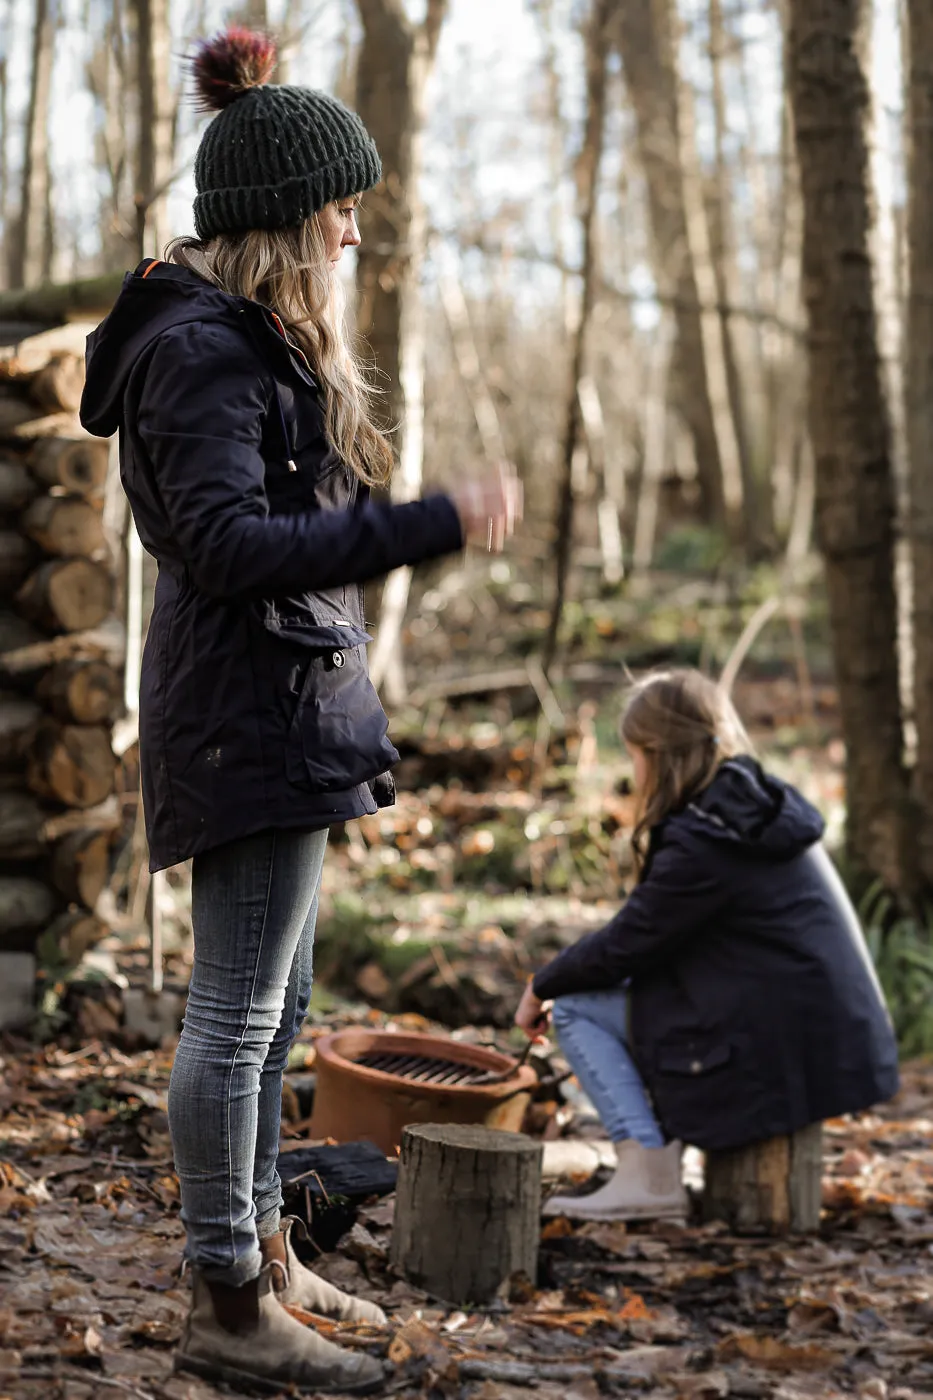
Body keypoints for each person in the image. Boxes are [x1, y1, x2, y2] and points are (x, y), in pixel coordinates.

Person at [79, 28, 521, 1396]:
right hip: (246, 715)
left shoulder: (246, 337)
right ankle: (227, 1299)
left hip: (287, 709)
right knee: (230, 1018)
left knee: (276, 1019)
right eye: (339, 205)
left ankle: (267, 1257)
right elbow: (223, 544)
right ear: (281, 218)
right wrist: (422, 524)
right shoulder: (204, 352)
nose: (351, 228)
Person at [515, 669, 899, 1223]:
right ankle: (654, 1159)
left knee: (575, 1008)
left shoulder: (706, 839)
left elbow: (628, 942)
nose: (634, 773)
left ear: (660, 755)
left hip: (781, 1042)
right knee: (620, 991)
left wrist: (542, 985)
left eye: (635, 756)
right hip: (818, 1033)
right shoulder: (750, 805)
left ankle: (647, 1175)